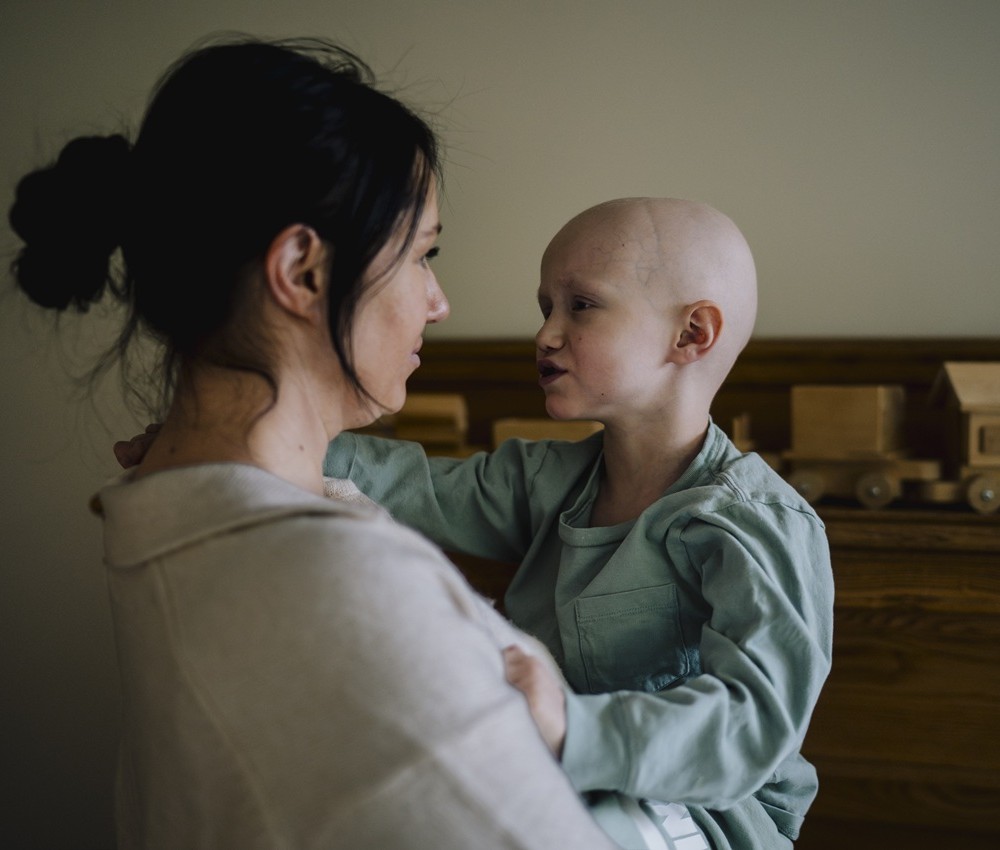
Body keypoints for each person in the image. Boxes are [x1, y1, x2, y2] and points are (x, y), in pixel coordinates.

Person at [7, 37, 653, 850]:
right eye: (424, 254)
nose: (437, 300)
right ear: (304, 271)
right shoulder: (342, 589)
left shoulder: (165, 516)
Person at [322, 197, 836, 849]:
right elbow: (413, 486)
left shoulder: (753, 519)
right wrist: (262, 433)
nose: (545, 333)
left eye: (581, 306)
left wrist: (574, 727)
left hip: (709, 814)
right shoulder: (547, 482)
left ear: (691, 335)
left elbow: (754, 723)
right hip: (554, 770)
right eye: (545, 308)